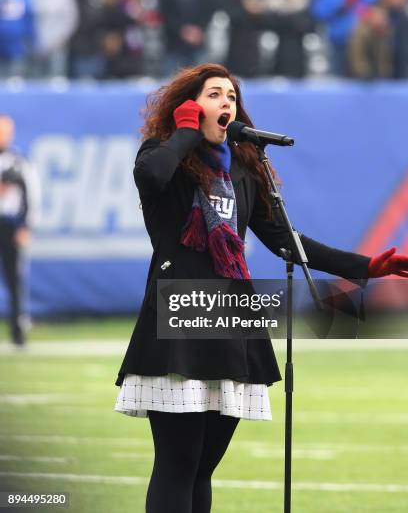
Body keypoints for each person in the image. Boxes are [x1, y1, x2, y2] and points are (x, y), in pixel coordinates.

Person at [114, 63, 408, 513]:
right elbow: (150, 176)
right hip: (179, 321)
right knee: (176, 464)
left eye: (231, 96)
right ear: (190, 107)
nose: (226, 103)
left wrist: (368, 265)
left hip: (231, 322)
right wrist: (186, 132)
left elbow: (289, 243)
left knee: (202, 469)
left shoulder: (245, 174)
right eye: (214, 94)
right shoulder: (163, 154)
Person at [0, 115, 39, 346]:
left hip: (10, 225)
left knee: (15, 280)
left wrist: (25, 226)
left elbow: (32, 195)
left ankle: (18, 331)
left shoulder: (18, 160)